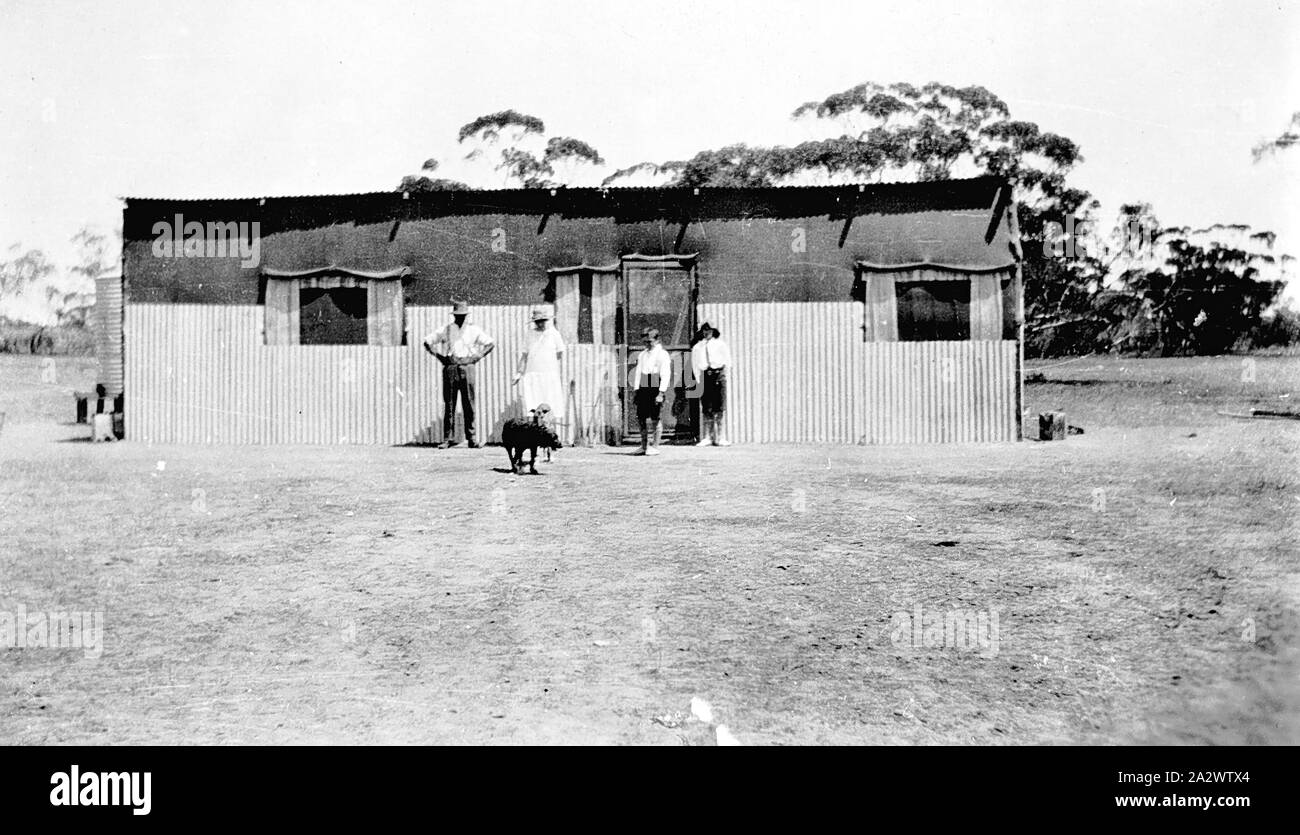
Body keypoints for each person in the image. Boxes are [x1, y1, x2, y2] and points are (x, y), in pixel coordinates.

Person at [423, 299, 495, 449]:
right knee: (449, 404)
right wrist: (440, 356)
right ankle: (447, 439)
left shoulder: (473, 330)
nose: (460, 318)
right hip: (450, 367)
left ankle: (472, 438)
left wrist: (477, 357)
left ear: (467, 315)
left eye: (463, 315)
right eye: (457, 315)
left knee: (469, 404)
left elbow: (490, 343)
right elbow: (427, 341)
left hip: (467, 367)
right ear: (454, 315)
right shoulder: (447, 329)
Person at [513, 306, 566, 430]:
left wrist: (548, 364)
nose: (540, 323)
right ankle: (535, 436)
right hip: (532, 375)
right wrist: (519, 373)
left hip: (549, 375)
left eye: (542, 321)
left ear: (546, 320)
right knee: (533, 406)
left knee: (550, 406)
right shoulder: (530, 334)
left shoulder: (554, 334)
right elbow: (524, 355)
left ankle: (550, 435)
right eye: (538, 321)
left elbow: (559, 353)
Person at [690, 321, 732, 446]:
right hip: (705, 377)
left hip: (718, 375)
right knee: (706, 408)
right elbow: (695, 364)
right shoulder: (698, 347)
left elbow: (728, 361)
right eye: (704, 329)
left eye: (709, 329)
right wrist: (699, 380)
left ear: (714, 331)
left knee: (719, 408)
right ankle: (707, 437)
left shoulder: (720, 345)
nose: (706, 332)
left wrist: (724, 376)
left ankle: (720, 437)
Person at [632, 327, 672, 455]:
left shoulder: (662, 354)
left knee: (655, 417)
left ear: (657, 340)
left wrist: (661, 393)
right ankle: (644, 446)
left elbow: (665, 374)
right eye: (645, 342)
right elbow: (638, 372)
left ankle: (655, 446)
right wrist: (637, 389)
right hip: (643, 387)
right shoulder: (642, 354)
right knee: (641, 417)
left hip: (656, 386)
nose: (647, 344)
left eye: (649, 341)